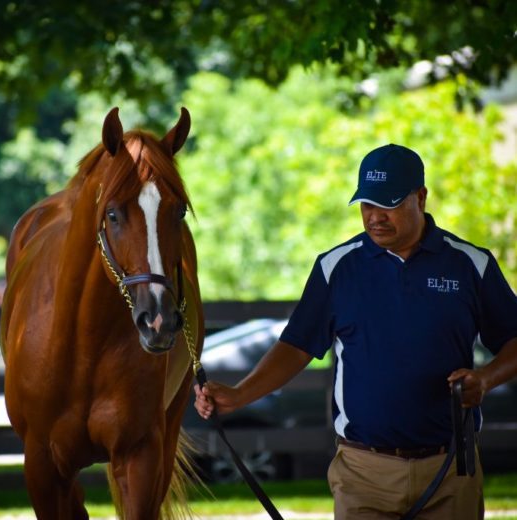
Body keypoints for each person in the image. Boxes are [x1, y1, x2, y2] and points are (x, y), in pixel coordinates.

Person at [194, 143, 517, 519]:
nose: (374, 217)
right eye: (366, 204)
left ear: (421, 197)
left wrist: (486, 379)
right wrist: (238, 394)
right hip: (363, 472)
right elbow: (296, 347)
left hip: (450, 470)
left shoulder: (470, 265)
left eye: (388, 204)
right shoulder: (336, 268)